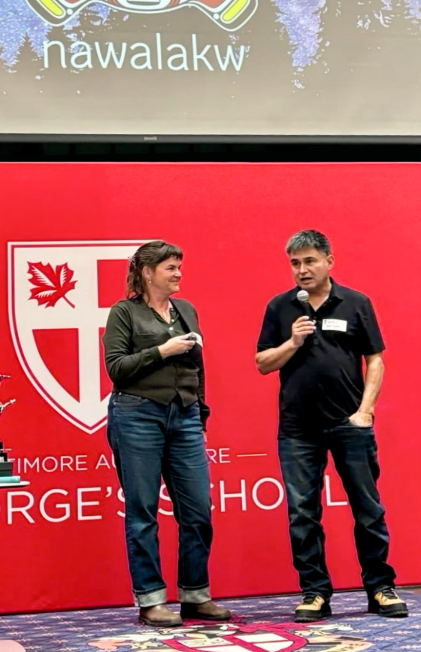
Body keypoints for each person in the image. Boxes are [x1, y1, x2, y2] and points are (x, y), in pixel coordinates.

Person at [256, 229, 407, 623]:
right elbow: (262, 363)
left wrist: (365, 412)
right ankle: (315, 592)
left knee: (367, 509)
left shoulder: (355, 303)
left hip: (348, 424)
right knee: (302, 514)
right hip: (297, 430)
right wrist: (292, 342)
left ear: (328, 261)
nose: (302, 270)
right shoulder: (280, 307)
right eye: (295, 263)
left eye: (309, 261)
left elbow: (375, 359)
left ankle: (380, 586)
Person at [103, 240, 229, 628]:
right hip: (136, 414)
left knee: (198, 511)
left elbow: (197, 368)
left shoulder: (186, 310)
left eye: (179, 267)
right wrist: (162, 350)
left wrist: (200, 415)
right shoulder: (124, 312)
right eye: (170, 268)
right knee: (142, 511)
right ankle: (151, 601)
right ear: (147, 272)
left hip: (185, 415)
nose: (178, 274)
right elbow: (116, 368)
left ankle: (195, 595)